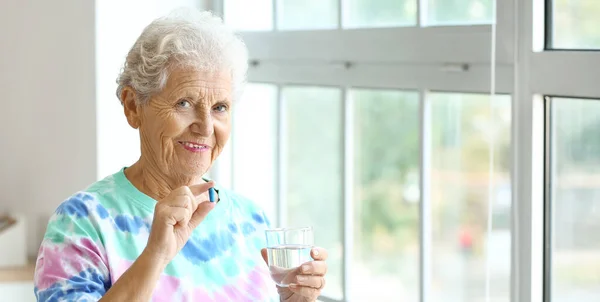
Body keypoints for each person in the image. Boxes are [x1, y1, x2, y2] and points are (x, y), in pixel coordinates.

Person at [33, 9, 328, 302]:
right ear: (133, 106)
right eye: (184, 103)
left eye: (220, 107)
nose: (205, 127)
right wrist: (156, 256)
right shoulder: (82, 222)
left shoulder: (251, 220)